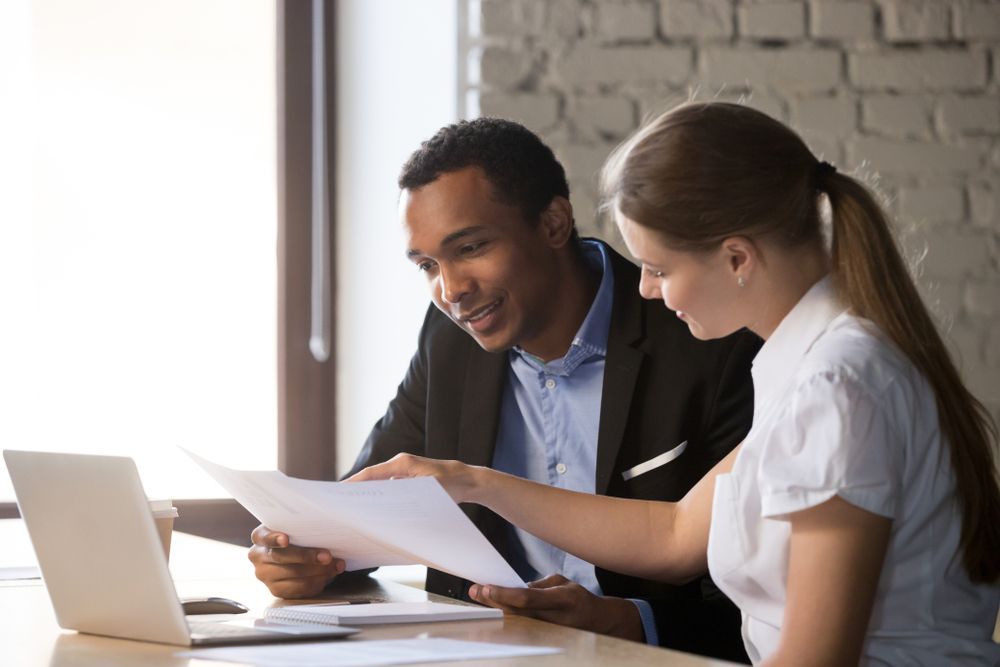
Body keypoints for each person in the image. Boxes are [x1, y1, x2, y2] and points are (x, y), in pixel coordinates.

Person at [351, 103, 1000, 666]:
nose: (645, 289)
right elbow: (674, 533)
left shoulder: (837, 386)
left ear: (737, 258)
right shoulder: (809, 363)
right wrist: (471, 482)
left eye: (659, 267)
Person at [248, 118, 761, 662]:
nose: (450, 291)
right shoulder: (448, 342)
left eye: (469, 247)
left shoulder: (709, 343)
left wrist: (633, 620)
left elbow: (763, 599)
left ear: (554, 223)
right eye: (427, 265)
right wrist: (307, 555)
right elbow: (369, 503)